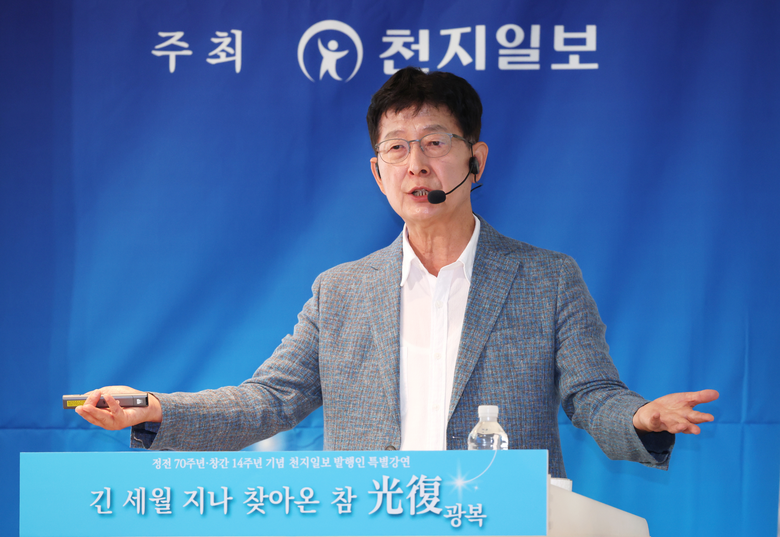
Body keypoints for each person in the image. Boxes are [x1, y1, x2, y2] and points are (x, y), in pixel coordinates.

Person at [76, 67, 718, 478]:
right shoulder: (341, 291)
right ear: (377, 172)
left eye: (435, 142)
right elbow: (269, 399)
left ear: (476, 159)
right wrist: (153, 409)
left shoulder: (546, 279)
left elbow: (592, 395)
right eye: (396, 148)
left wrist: (640, 417)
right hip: (374, 517)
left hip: (506, 520)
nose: (416, 164)